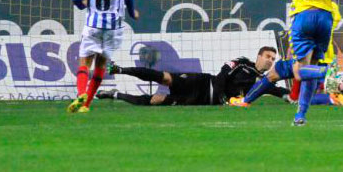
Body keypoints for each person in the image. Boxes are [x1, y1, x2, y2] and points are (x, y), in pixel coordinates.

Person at [230, 0, 343, 108]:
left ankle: (331, 98)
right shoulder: (332, 10)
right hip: (319, 57)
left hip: (309, 57)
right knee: (274, 75)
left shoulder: (310, 7)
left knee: (291, 90)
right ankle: (245, 101)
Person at [67, 0, 140, 113]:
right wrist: (132, 13)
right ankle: (86, 105)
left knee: (85, 62)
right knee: (101, 64)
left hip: (93, 25)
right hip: (113, 27)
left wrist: (82, 4)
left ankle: (80, 94)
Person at [96, 47, 290, 106]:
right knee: (165, 78)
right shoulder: (242, 62)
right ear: (259, 56)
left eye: (273, 59)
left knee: (157, 100)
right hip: (204, 83)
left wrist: (289, 95)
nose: (270, 61)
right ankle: (120, 70)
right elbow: (222, 75)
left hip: (201, 100)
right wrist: (222, 96)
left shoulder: (264, 80)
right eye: (267, 57)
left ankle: (115, 94)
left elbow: (275, 90)